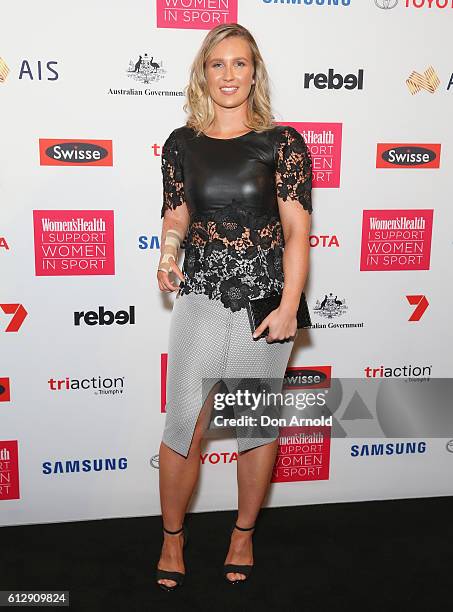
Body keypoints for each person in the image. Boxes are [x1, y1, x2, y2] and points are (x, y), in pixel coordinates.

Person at [155, 22, 313, 591]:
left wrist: (291, 304)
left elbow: (297, 230)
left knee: (253, 423)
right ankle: (173, 537)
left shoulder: (283, 143)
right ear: (204, 72)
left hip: (266, 304)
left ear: (255, 71)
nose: (228, 74)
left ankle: (242, 534)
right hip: (200, 295)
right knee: (184, 426)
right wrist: (169, 253)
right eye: (217, 63)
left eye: (239, 63)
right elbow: (177, 216)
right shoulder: (181, 143)